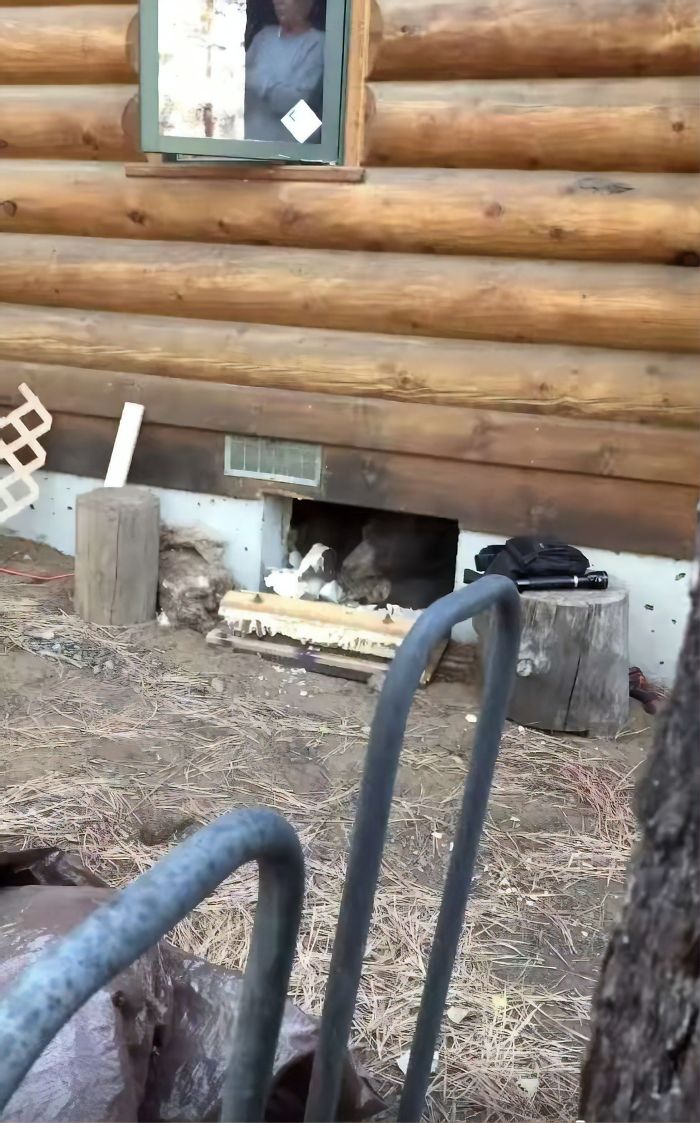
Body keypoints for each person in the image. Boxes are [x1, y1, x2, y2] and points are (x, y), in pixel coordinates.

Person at [245, 0, 325, 143]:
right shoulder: (263, 37)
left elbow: (302, 114)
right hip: (242, 151)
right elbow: (237, 84)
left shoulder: (319, 44)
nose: (279, 2)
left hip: (287, 157)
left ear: (308, 3)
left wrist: (261, 85)